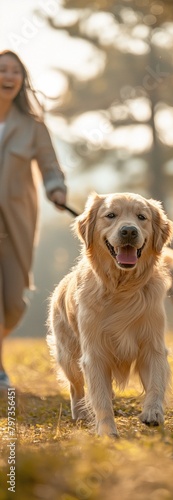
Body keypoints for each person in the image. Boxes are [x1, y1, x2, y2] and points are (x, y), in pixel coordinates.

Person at [0, 50, 67, 388]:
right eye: (2, 70)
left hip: (16, 223)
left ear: (22, 79)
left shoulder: (32, 126)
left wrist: (56, 190)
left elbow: (50, 165)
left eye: (15, 71)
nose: (8, 76)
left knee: (13, 304)